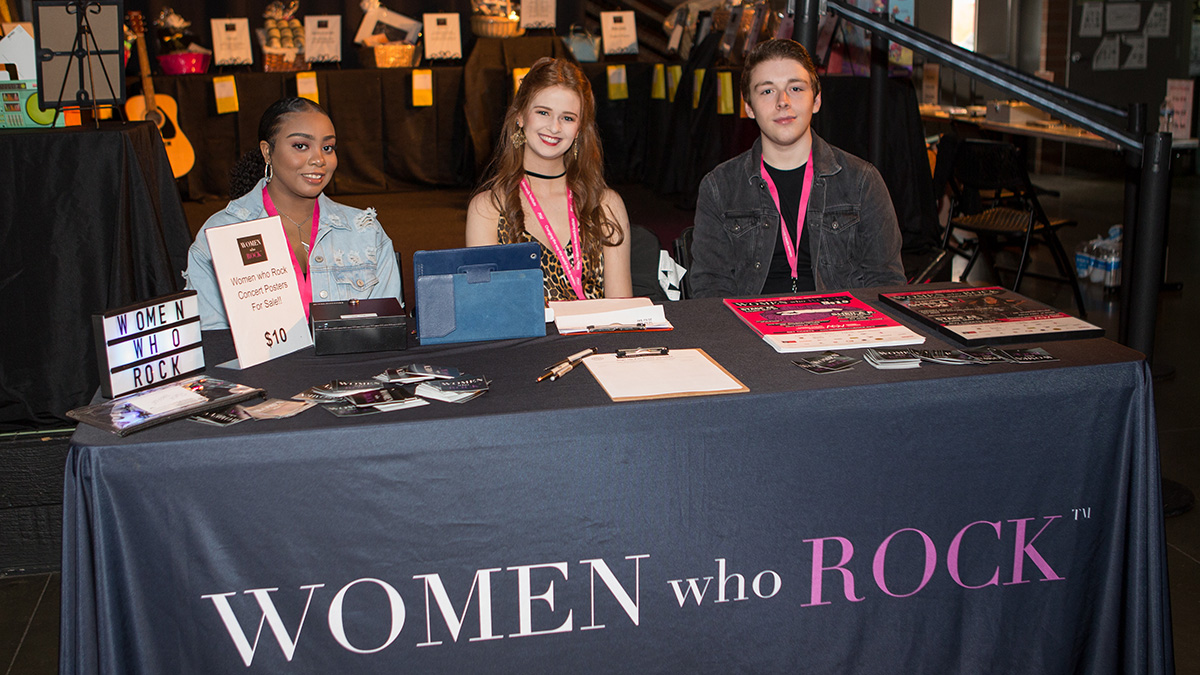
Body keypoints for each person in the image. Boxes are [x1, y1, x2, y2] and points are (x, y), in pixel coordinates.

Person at [689, 39, 906, 298]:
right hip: (751, 327)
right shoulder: (719, 187)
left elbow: (886, 283)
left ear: (816, 100)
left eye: (795, 88)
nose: (783, 101)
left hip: (842, 326)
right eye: (767, 91)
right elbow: (710, 288)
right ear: (748, 107)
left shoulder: (862, 181)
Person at [184, 97, 402, 329]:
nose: (319, 159)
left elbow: (386, 329)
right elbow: (211, 338)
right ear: (267, 153)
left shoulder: (364, 231)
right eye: (301, 146)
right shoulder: (220, 235)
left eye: (327, 147)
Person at [466, 57, 632, 300]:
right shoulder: (489, 209)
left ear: (579, 130)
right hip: (524, 339)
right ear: (520, 117)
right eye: (543, 112)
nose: (554, 127)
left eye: (567, 118)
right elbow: (487, 310)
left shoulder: (605, 205)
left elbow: (622, 311)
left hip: (597, 337)